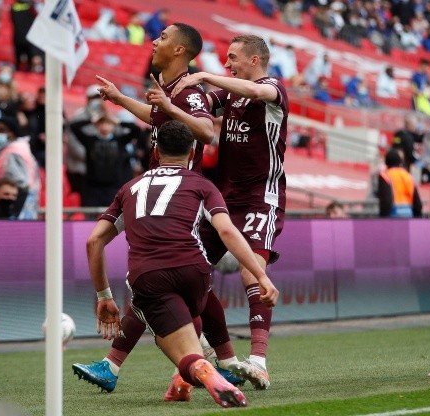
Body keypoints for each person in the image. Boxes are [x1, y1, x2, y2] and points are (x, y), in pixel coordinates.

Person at [73, 23, 243, 393]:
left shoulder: (188, 92)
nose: (154, 41)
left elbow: (205, 132)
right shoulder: (168, 90)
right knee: (170, 284)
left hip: (180, 197)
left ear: (181, 50)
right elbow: (155, 118)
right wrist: (120, 99)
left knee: (151, 281)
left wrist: (167, 106)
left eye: (163, 37)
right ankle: (221, 363)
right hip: (157, 189)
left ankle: (117, 366)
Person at [83, 120, 278, 408]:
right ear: (192, 153)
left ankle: (201, 369)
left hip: (148, 276)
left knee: (172, 341)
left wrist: (104, 296)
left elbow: (94, 242)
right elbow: (226, 231)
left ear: (157, 152)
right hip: (195, 271)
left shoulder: (130, 188)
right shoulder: (202, 185)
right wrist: (261, 275)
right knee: (191, 312)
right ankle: (188, 378)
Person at [170, 34, 289, 390]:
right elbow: (201, 104)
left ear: (254, 61)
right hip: (223, 196)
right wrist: (172, 100)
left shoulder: (273, 88)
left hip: (260, 197)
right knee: (189, 271)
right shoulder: (229, 92)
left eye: (233, 58)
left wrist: (204, 75)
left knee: (252, 272)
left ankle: (259, 361)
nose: (227, 64)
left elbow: (255, 93)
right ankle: (205, 352)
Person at [0, 116, 40, 219]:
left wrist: (13, 213)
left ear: (12, 133)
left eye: (2, 130)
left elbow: (20, 184)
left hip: (14, 213)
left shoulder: (13, 153)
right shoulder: (20, 149)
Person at [377, 148, 422, 218]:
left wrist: (382, 220)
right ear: (400, 161)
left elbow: (386, 201)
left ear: (386, 162)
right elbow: (417, 202)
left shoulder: (385, 176)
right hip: (408, 214)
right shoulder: (408, 176)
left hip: (392, 215)